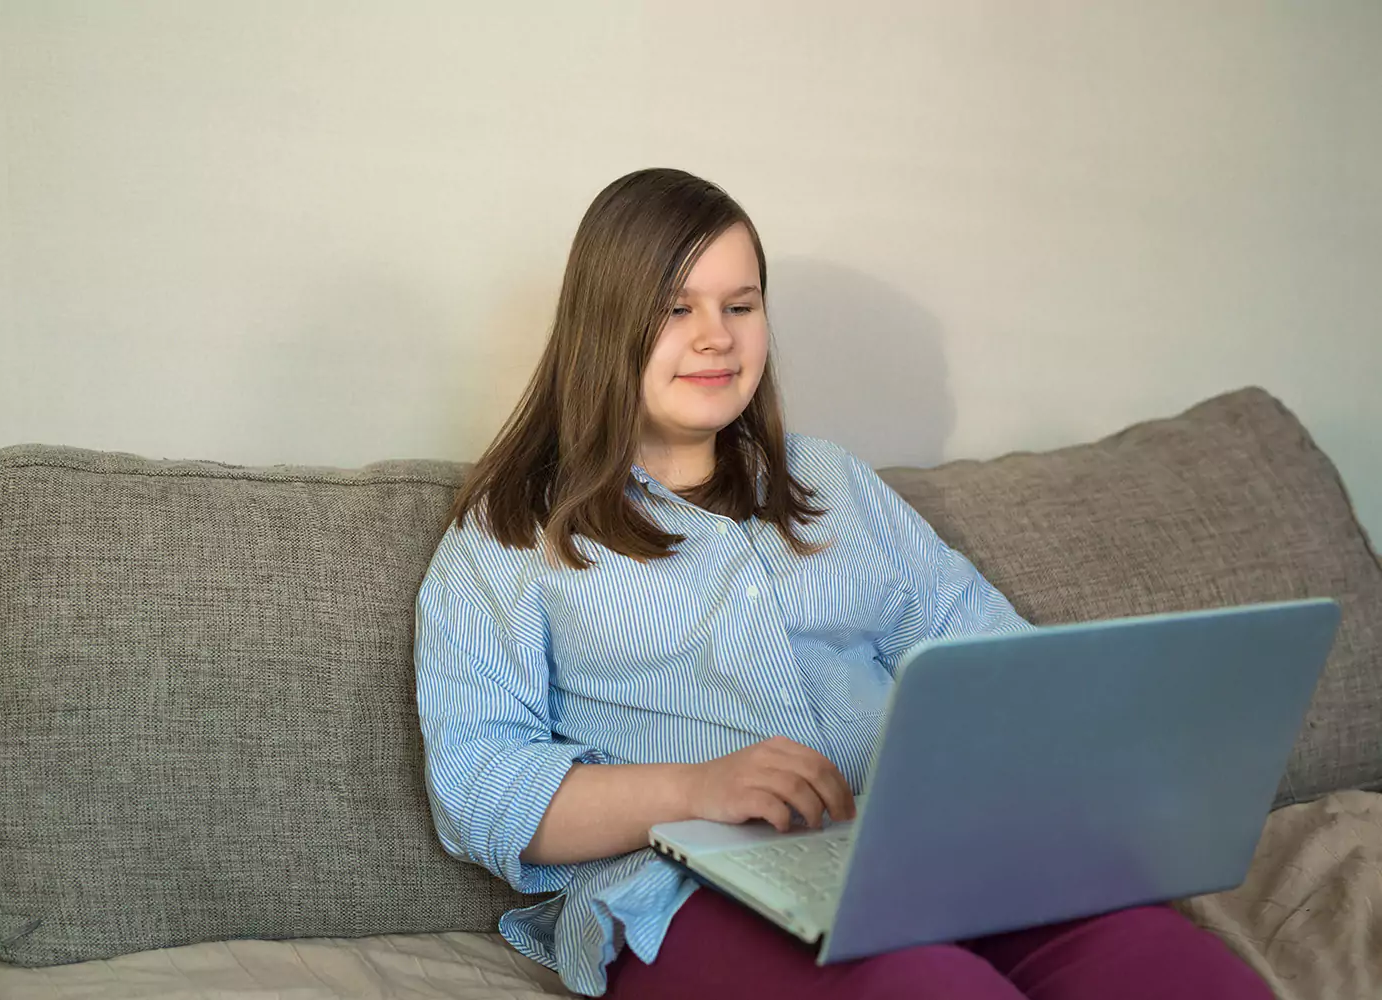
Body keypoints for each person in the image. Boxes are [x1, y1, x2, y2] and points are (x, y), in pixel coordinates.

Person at [413, 168, 1270, 999]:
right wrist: (698, 789)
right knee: (928, 987)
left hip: (923, 854)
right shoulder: (510, 535)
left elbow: (989, 654)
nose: (717, 335)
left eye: (739, 305)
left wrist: (1115, 735)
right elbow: (480, 787)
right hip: (682, 893)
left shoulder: (834, 485)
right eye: (676, 309)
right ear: (604, 327)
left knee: (1169, 961)